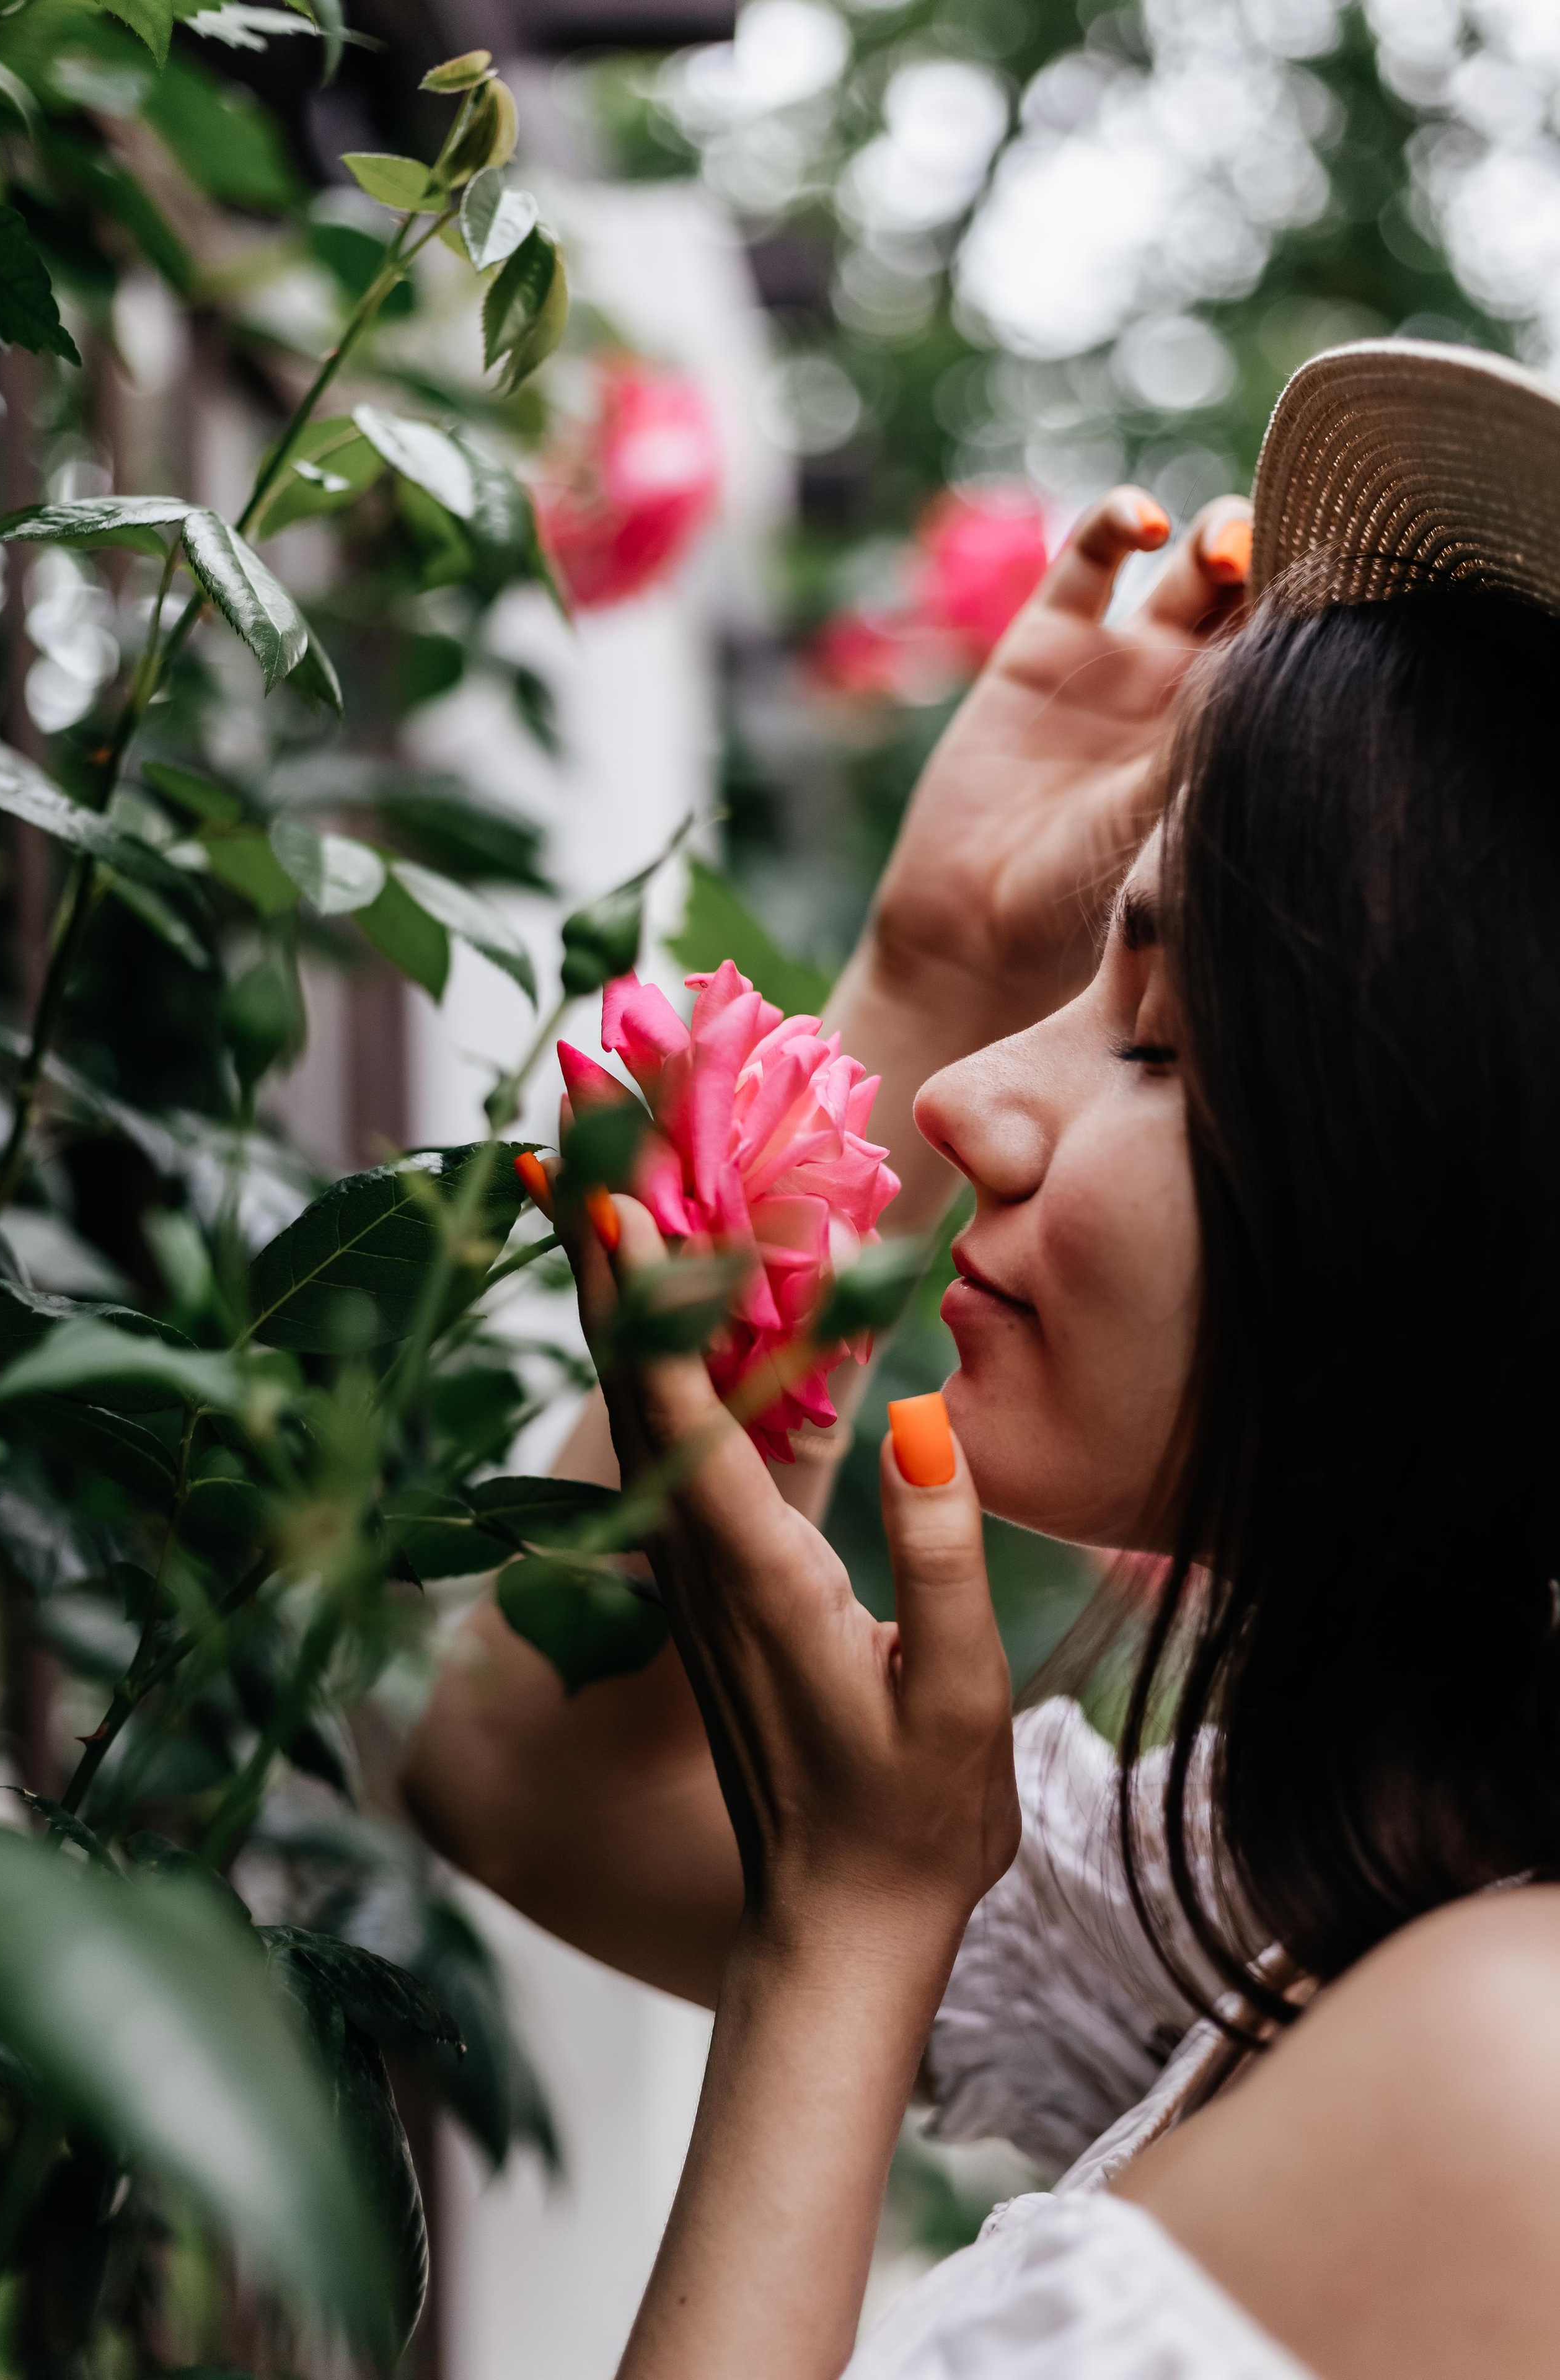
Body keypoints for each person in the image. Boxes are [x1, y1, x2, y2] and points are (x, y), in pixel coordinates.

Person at [403, 340, 1560, 2379]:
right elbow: (534, 1778)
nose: (953, 1113)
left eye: (1166, 1040)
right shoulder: (1345, 1862)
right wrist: (930, 965)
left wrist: (845, 1937)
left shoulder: (1509, 2085)